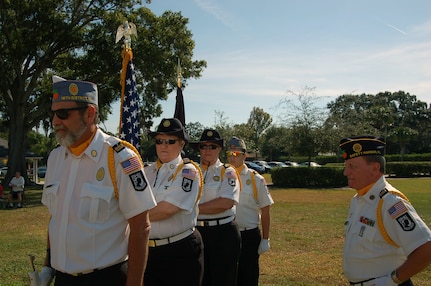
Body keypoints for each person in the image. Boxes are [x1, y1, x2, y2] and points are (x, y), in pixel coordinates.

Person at [40, 76, 157, 286]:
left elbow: (141, 227)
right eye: (53, 114)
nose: (55, 121)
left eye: (63, 114)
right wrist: (48, 266)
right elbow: (55, 219)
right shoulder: (56, 158)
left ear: (90, 113)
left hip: (105, 278)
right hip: (62, 278)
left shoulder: (120, 158)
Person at [340, 136, 431, 286]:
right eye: (346, 166)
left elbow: (426, 248)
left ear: (375, 168)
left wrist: (392, 280)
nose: (346, 172)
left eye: (352, 166)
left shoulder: (391, 203)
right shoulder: (358, 200)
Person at [144, 118, 204, 285]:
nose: (164, 145)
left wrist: (131, 218)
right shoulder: (147, 171)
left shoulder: (188, 172)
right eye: (159, 141)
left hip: (179, 251)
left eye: (170, 141)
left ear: (181, 144)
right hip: (149, 251)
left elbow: (167, 209)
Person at [190, 129, 241, 286]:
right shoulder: (190, 171)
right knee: (199, 279)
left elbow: (226, 202)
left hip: (223, 234)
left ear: (219, 149)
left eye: (213, 146)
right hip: (197, 232)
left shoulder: (228, 172)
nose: (207, 150)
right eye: (204, 146)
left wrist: (192, 209)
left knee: (223, 279)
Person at [226, 137, 274, 286]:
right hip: (226, 235)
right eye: (229, 153)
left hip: (248, 235)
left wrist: (266, 239)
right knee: (228, 276)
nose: (232, 157)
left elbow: (265, 210)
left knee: (248, 276)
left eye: (236, 153)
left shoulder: (255, 179)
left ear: (244, 155)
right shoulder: (222, 176)